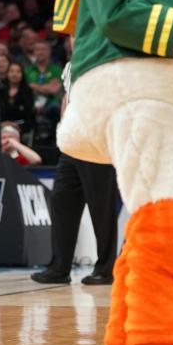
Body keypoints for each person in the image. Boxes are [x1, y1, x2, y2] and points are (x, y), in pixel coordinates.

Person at [31, 60, 117, 286]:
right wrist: (63, 128)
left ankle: (106, 269)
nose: (73, 38)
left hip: (97, 142)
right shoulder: (70, 65)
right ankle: (59, 268)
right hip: (72, 144)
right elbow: (67, 99)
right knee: (61, 201)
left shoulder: (105, 60)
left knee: (101, 208)